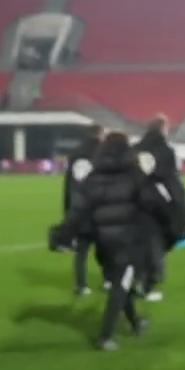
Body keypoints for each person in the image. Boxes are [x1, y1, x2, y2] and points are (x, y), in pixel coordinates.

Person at [49, 132, 166, 350]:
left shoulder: (93, 179)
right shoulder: (134, 176)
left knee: (122, 281)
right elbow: (153, 203)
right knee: (121, 285)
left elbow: (78, 211)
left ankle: (136, 322)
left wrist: (61, 235)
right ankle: (105, 336)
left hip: (103, 243)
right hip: (128, 241)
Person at [133, 113, 185, 301]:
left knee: (138, 244)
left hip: (133, 203)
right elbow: (172, 180)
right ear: (163, 129)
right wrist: (180, 207)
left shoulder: (135, 149)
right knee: (156, 244)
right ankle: (148, 286)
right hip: (157, 204)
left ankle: (134, 280)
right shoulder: (166, 151)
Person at [63, 124, 106, 295]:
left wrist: (68, 209)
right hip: (99, 207)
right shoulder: (104, 152)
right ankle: (108, 281)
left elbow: (68, 185)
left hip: (79, 207)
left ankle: (81, 285)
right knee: (106, 247)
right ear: (100, 134)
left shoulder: (76, 153)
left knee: (81, 250)